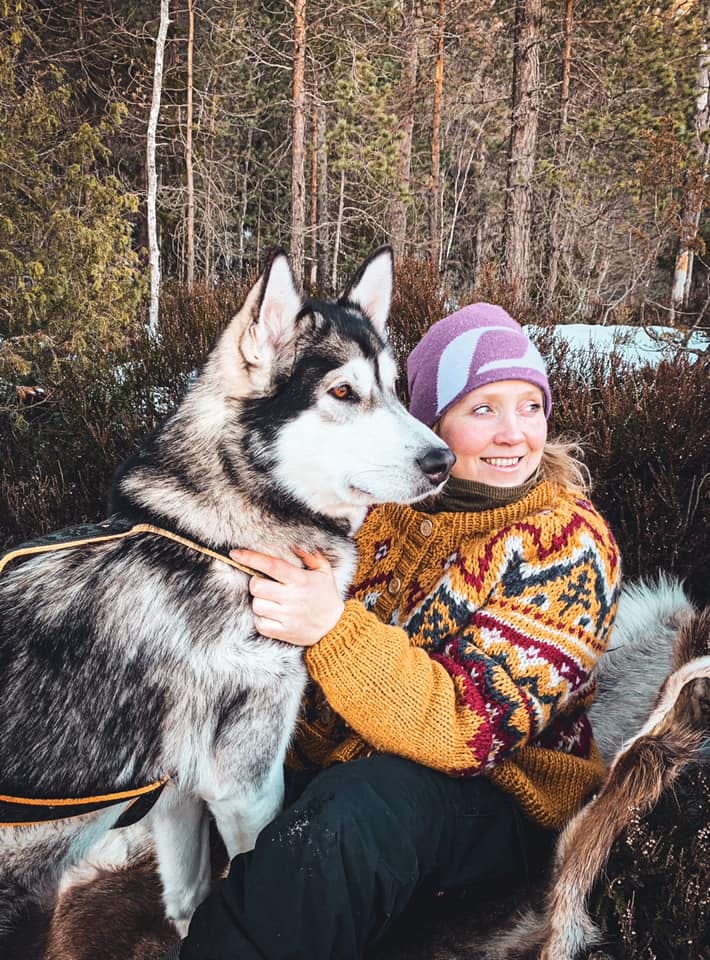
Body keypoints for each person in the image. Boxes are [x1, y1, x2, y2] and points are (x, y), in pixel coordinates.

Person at [168, 303, 621, 960]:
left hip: (505, 794)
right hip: (358, 766)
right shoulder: (379, 511)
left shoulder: (568, 544)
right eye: (483, 409)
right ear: (431, 422)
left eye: (530, 406)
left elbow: (470, 727)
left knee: (353, 818)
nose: (514, 433)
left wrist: (330, 628)